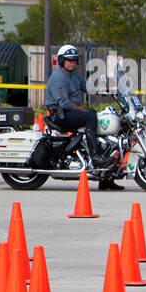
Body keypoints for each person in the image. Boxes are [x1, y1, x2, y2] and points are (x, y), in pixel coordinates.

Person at [45, 44, 121, 190]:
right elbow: (64, 103)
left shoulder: (72, 75)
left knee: (104, 120)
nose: (72, 62)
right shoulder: (58, 78)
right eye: (69, 60)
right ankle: (95, 156)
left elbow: (87, 87)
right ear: (61, 61)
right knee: (90, 117)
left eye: (74, 60)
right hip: (61, 115)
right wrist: (83, 110)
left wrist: (108, 90)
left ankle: (106, 178)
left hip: (69, 113)